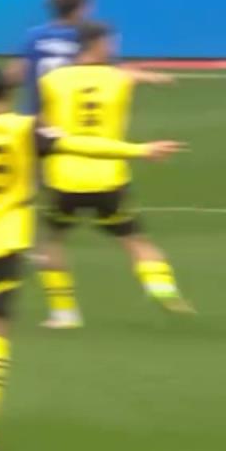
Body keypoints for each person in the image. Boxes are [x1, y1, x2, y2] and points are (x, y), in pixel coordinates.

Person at [0, 68, 184, 451]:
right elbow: (77, 144)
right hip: (4, 240)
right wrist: (139, 150)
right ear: (8, 96)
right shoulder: (25, 128)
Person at [37, 22, 191, 330]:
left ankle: (64, 313)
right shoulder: (120, 77)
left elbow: (42, 126)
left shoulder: (51, 80)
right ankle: (161, 287)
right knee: (135, 240)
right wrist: (159, 78)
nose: (113, 47)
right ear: (97, 45)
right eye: (110, 42)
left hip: (64, 179)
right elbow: (137, 76)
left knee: (51, 241)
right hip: (108, 178)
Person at [7, 0, 92, 115]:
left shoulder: (34, 36)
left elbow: (14, 75)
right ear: (80, 8)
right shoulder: (87, 37)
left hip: (35, 117)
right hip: (69, 118)